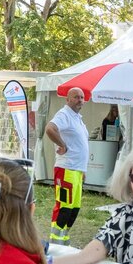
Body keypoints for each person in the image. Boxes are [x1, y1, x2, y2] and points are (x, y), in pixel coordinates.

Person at [45, 88, 89, 244]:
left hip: (77, 171)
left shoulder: (77, 118)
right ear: (68, 99)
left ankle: (64, 239)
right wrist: (62, 144)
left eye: (82, 97)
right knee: (64, 207)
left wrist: (83, 170)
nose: (80, 100)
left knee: (74, 208)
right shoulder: (64, 115)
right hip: (66, 169)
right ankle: (55, 242)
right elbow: (50, 129)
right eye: (76, 97)